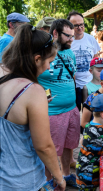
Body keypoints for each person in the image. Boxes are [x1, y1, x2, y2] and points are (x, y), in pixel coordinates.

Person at [0, 24, 66, 190]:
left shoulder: (1, 72)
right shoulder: (33, 91)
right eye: (49, 61)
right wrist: (59, 177)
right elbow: (44, 146)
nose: (49, 67)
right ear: (36, 59)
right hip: (22, 179)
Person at [37, 19, 80, 188]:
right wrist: (47, 95)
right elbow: (35, 79)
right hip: (53, 112)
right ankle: (50, 181)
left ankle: (67, 175)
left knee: (70, 146)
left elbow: (72, 76)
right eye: (67, 36)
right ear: (55, 33)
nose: (71, 39)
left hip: (72, 109)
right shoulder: (41, 53)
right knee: (52, 150)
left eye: (72, 36)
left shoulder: (70, 53)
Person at [67, 11, 100, 111]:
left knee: (92, 114)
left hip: (90, 84)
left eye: (81, 24)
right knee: (75, 114)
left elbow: (97, 61)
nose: (80, 27)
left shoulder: (91, 39)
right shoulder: (67, 41)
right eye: (76, 25)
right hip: (73, 86)